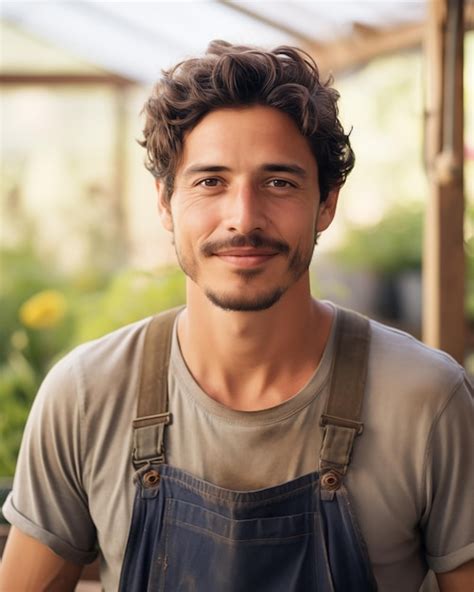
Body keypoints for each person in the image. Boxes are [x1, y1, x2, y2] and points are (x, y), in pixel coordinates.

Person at [0, 40, 472, 592]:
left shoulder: (427, 399)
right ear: (163, 202)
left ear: (327, 203)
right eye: (210, 182)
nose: (243, 218)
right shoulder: (87, 395)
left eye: (279, 182)